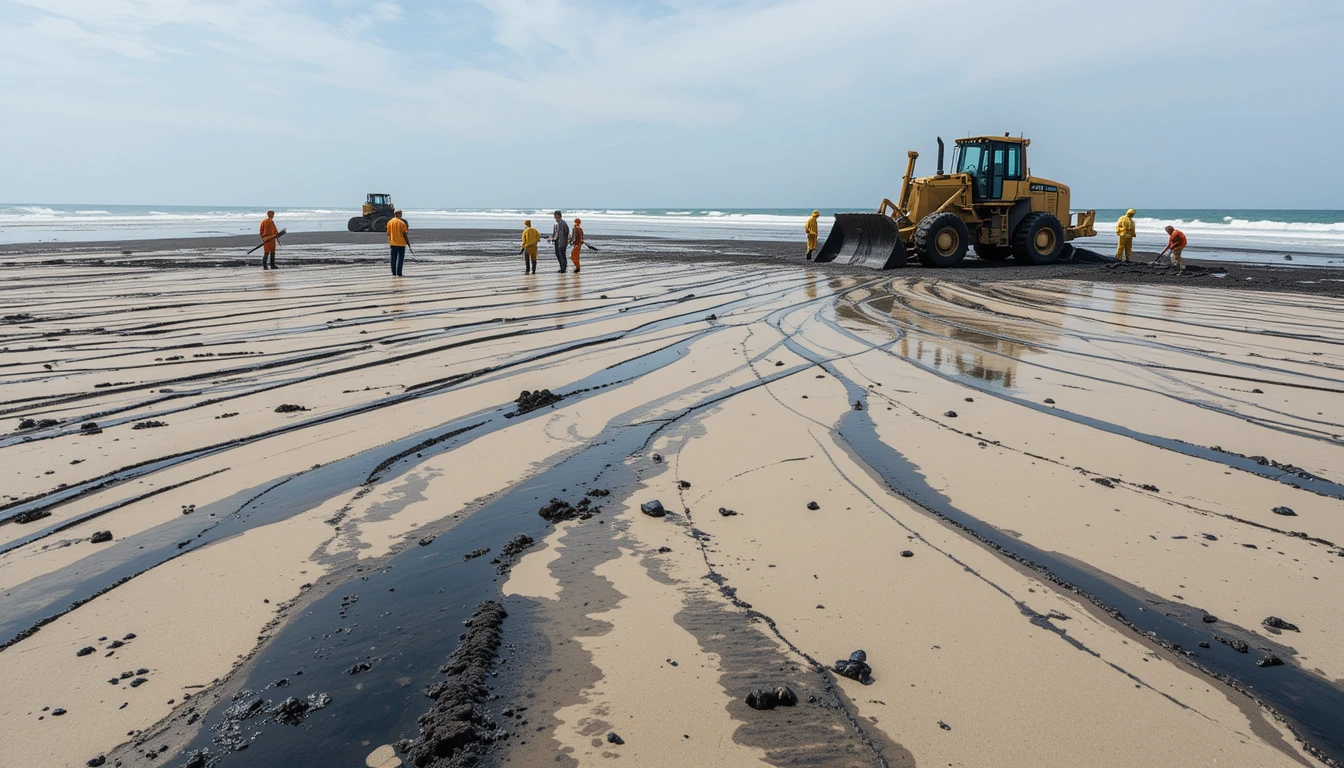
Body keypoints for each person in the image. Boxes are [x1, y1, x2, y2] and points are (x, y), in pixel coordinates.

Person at [386, 209, 409, 276]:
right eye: (401, 213)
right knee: (400, 258)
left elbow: (388, 233)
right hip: (401, 243)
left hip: (393, 242)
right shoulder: (402, 223)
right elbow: (405, 233)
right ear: (399, 214)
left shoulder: (389, 222)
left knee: (393, 258)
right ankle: (399, 272)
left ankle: (393, 272)